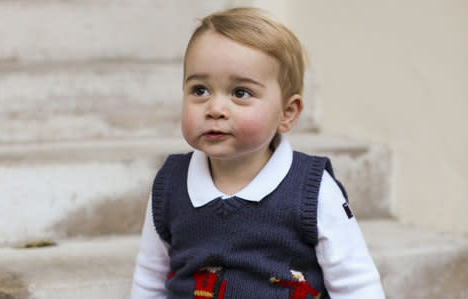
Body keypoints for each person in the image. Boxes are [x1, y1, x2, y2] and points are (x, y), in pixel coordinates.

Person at [131, 7, 385, 299]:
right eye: (200, 90)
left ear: (287, 113)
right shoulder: (171, 184)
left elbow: (357, 285)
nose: (215, 109)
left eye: (240, 93)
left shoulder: (312, 190)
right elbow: (150, 278)